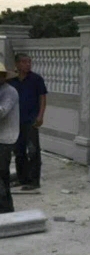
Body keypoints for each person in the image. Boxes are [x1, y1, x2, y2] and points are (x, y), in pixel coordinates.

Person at [8, 53, 47, 191]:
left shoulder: (36, 79)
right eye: (24, 62)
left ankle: (34, 181)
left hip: (31, 120)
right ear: (17, 64)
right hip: (15, 121)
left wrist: (40, 115)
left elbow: (42, 98)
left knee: (33, 151)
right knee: (19, 151)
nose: (28, 65)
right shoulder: (11, 80)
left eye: (29, 62)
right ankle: (21, 178)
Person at [0, 62, 20, 213]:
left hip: (6, 139)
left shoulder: (9, 91)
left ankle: (5, 208)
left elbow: (2, 112)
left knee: (2, 174)